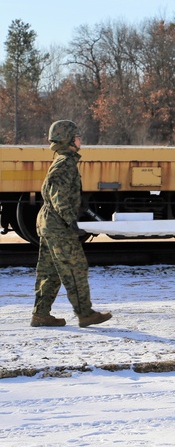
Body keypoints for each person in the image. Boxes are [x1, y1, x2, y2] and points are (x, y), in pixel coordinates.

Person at [31, 120, 112, 328]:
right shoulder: (66, 162)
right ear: (67, 139)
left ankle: (40, 315)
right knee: (75, 269)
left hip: (49, 223)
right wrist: (70, 220)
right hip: (59, 226)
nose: (80, 140)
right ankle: (85, 314)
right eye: (77, 136)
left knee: (50, 271)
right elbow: (59, 196)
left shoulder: (60, 160)